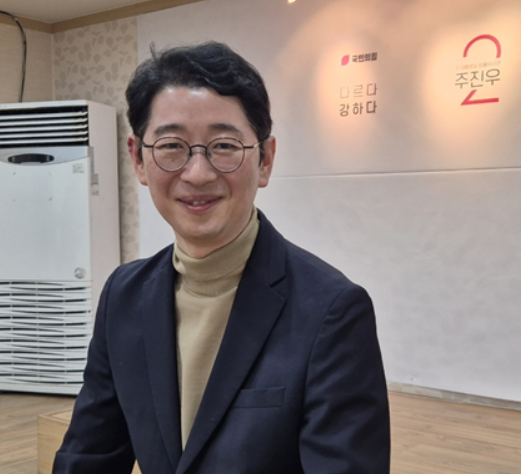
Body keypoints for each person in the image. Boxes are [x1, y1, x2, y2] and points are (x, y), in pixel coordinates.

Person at [53, 41, 390, 474]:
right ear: (138, 158)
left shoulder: (331, 311)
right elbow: (88, 455)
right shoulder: (124, 295)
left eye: (225, 146)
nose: (197, 173)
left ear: (265, 160)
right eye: (171, 145)